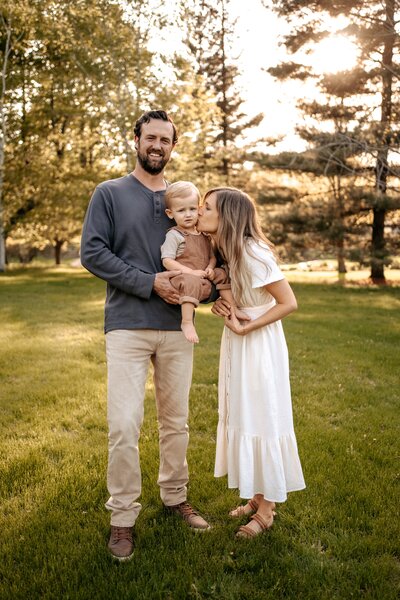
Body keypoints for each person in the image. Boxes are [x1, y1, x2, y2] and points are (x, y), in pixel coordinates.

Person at [80, 110, 210, 562]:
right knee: (124, 425)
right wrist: (149, 281)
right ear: (135, 139)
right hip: (128, 325)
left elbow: (207, 258)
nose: (157, 145)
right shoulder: (110, 193)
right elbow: (92, 252)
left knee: (176, 423)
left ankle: (175, 497)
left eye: (165, 140)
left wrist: (208, 291)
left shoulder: (186, 199)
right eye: (150, 137)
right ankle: (122, 518)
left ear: (173, 146)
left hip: (177, 329)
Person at [197, 187, 306, 538]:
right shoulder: (227, 251)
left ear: (226, 216)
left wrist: (247, 326)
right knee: (245, 413)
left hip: (259, 344)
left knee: (264, 415)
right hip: (240, 341)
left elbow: (288, 302)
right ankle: (257, 497)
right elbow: (239, 298)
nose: (200, 211)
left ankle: (269, 509)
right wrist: (225, 309)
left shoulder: (254, 251)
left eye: (207, 207)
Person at [161, 180, 243, 344]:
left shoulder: (204, 234)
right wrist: (190, 272)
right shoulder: (175, 235)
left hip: (202, 275)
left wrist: (211, 268)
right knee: (191, 282)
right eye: (181, 210)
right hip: (183, 277)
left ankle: (233, 307)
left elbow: (211, 257)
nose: (188, 214)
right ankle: (187, 322)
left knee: (222, 273)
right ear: (170, 213)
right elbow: (167, 260)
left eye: (192, 209)